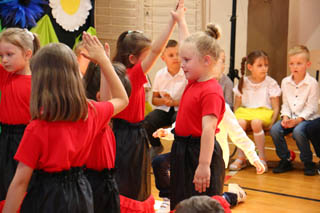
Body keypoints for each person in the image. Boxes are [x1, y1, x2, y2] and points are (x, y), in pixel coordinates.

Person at [2, 33, 129, 212]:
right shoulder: (91, 112)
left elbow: (19, 183)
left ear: (39, 81)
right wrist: (104, 62)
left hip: (46, 198)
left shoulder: (37, 128)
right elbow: (122, 99)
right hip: (80, 195)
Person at [111, 1, 183, 211]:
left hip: (126, 134)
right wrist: (172, 21)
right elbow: (158, 49)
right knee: (131, 182)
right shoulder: (131, 74)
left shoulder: (122, 72)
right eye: (145, 57)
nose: (150, 60)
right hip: (129, 137)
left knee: (129, 179)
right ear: (132, 59)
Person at [169, 3, 226, 210]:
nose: (181, 64)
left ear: (206, 61)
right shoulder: (194, 80)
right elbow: (189, 45)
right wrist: (181, 21)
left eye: (186, 60)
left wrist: (203, 165)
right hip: (182, 149)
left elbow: (208, 130)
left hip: (199, 153)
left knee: (201, 205)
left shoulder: (210, 90)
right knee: (181, 202)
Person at [85, 61, 131, 213]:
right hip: (96, 185)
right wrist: (104, 63)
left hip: (102, 183)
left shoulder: (101, 120)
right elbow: (107, 99)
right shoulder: (97, 119)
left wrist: (104, 64)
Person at [0, 28, 40, 200]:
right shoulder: (6, 75)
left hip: (26, 138)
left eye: (9, 54)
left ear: (27, 54)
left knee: (23, 186)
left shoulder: (38, 82)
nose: (4, 60)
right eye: (1, 56)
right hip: (6, 138)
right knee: (4, 184)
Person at [270, 45, 320, 176]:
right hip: (291, 117)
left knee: (298, 131)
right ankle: (285, 159)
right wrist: (285, 117)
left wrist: (297, 120)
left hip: (306, 119)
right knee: (275, 130)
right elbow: (285, 104)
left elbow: (312, 107)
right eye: (292, 64)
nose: (295, 67)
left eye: (299, 63)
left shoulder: (312, 83)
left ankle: (308, 162)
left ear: (307, 64)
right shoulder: (285, 82)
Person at [229, 51, 281, 172]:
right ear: (250, 67)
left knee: (256, 123)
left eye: (266, 65)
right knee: (240, 123)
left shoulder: (270, 83)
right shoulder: (243, 82)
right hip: (247, 112)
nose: (264, 68)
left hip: (264, 112)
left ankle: (262, 158)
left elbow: (276, 107)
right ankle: (241, 158)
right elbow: (237, 107)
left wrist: (272, 123)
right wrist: (236, 120)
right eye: (260, 65)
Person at [144, 39, 187, 159]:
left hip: (180, 110)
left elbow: (189, 100)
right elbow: (154, 100)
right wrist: (164, 101)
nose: (175, 58)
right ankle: (156, 146)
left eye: (178, 54)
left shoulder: (186, 74)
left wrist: (174, 102)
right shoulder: (160, 75)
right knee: (148, 121)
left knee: (178, 122)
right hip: (164, 110)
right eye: (171, 55)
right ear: (163, 58)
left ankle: (178, 152)